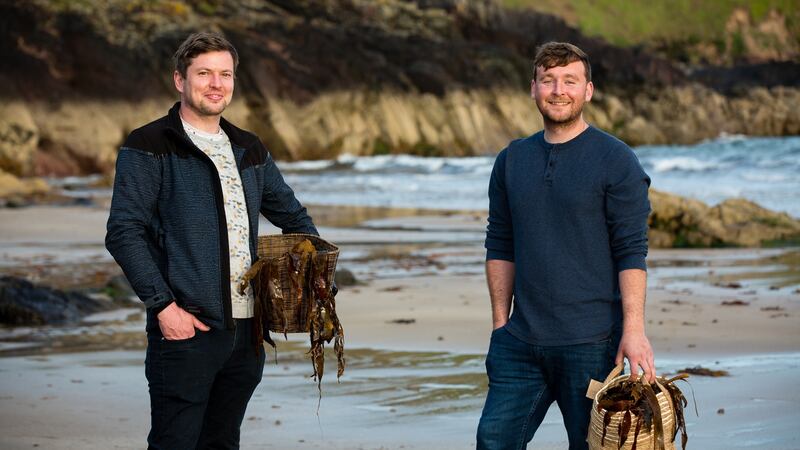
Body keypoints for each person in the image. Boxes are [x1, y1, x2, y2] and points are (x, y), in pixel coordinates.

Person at [105, 31, 318, 449]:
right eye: (203, 73)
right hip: (185, 329)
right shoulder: (150, 144)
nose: (216, 84)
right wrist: (163, 307)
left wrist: (311, 279)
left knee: (222, 443)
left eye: (225, 74)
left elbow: (295, 219)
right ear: (180, 80)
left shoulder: (248, 147)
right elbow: (123, 232)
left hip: (247, 332)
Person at [475, 42, 656, 450]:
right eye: (549, 80)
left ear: (588, 91)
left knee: (592, 446)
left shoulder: (616, 160)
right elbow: (500, 243)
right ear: (533, 88)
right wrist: (501, 326)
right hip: (520, 343)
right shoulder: (511, 159)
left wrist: (634, 331)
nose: (559, 90)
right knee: (492, 441)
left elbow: (631, 251)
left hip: (593, 345)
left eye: (570, 81)